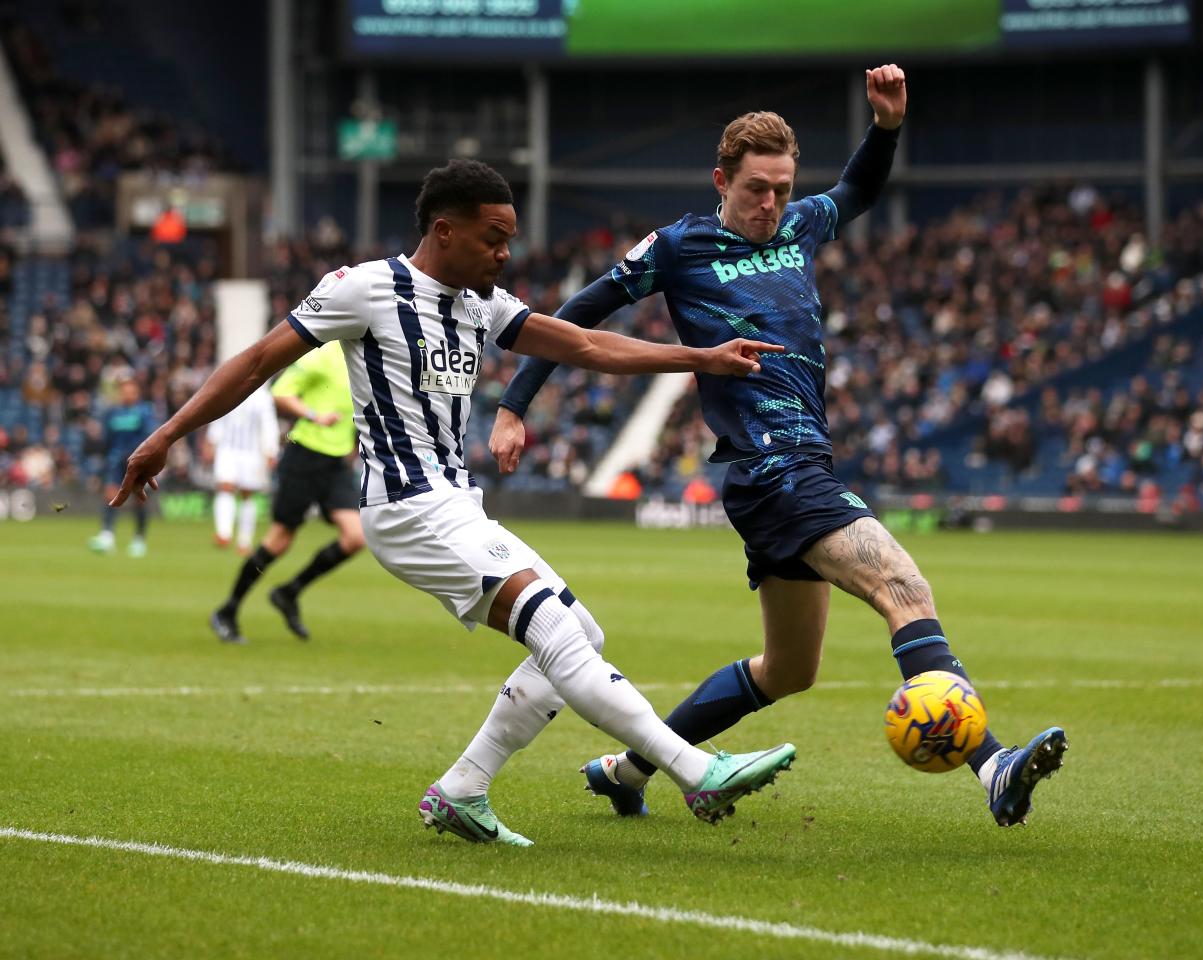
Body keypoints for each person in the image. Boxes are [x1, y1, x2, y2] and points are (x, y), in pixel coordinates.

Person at [111, 158, 796, 846]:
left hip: (455, 504)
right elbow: (259, 361)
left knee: (581, 634)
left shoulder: (481, 303)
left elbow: (587, 344)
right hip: (406, 507)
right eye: (493, 238)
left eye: (509, 240)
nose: (505, 254)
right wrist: (167, 435)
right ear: (444, 231)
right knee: (557, 633)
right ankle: (695, 771)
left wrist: (700, 357)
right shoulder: (365, 289)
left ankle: (464, 789)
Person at [489, 65, 1068, 827]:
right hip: (772, 468)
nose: (771, 204)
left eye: (783, 189)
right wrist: (513, 405)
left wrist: (886, 127)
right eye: (756, 189)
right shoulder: (678, 247)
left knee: (789, 670)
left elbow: (857, 191)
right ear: (721, 181)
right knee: (903, 587)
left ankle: (627, 770)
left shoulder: (799, 225)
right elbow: (574, 317)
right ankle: (993, 765)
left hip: (800, 466)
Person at [208, 337, 363, 644]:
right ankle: (228, 610)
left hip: (337, 462)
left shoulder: (365, 357)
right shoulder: (322, 355)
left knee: (356, 537)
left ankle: (289, 591)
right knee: (280, 540)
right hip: (304, 455)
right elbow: (280, 393)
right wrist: (314, 415)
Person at [203, 383, 279, 555]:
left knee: (247, 493)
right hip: (227, 449)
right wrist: (211, 441)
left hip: (252, 452)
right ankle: (224, 533)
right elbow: (219, 417)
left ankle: (244, 541)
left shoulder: (263, 396)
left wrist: (270, 450)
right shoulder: (230, 389)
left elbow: (269, 425)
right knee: (225, 486)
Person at [89, 375, 154, 558]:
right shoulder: (112, 413)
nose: (127, 394)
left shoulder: (144, 411)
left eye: (131, 391)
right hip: (115, 461)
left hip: (137, 461)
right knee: (110, 495)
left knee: (139, 499)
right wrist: (101, 465)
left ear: (137, 393)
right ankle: (107, 536)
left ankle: (139, 539)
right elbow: (106, 440)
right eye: (124, 391)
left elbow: (149, 437)